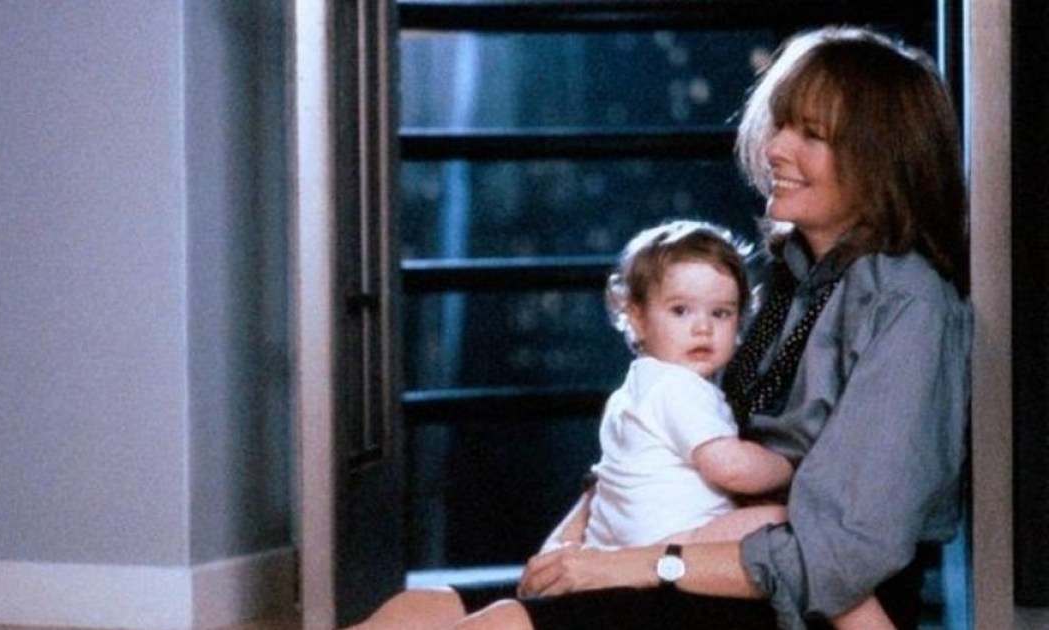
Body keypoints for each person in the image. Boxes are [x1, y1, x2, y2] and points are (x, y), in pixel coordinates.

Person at [350, 24, 972, 630]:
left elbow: (836, 558)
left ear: (878, 159)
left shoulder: (908, 306)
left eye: (810, 134)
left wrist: (633, 565)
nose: (776, 149)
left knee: (506, 623)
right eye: (781, 124)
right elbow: (673, 430)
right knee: (427, 607)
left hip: (800, 594)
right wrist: (570, 542)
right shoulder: (789, 280)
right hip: (700, 544)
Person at [344, 220, 892, 630]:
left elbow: (610, 475)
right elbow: (729, 466)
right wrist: (790, 466)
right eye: (681, 311)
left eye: (721, 314)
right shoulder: (681, 390)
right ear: (634, 315)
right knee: (778, 521)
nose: (703, 328)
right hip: (666, 546)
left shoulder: (638, 385)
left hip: (611, 538)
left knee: (435, 603)